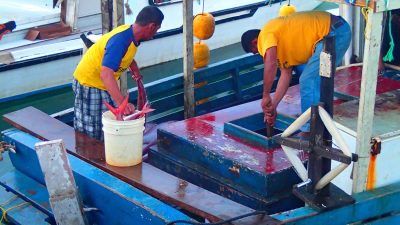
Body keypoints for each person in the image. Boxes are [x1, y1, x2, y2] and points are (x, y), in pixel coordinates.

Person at [241, 11, 351, 132]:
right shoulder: (279, 44)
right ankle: (319, 122)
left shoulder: (265, 34)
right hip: (334, 31)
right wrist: (273, 106)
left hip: (334, 31)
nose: (260, 54)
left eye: (256, 51)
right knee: (317, 79)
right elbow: (285, 75)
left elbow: (270, 63)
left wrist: (266, 95)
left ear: (255, 42)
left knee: (308, 79)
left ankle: (311, 129)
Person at [73, 6, 164, 140]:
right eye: (156, 29)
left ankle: (107, 151)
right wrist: (122, 103)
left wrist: (135, 69)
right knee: (92, 129)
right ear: (151, 26)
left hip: (103, 83)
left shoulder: (132, 35)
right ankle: (89, 156)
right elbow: (106, 73)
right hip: (89, 83)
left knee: (112, 124)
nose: (155, 34)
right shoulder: (121, 40)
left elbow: (126, 55)